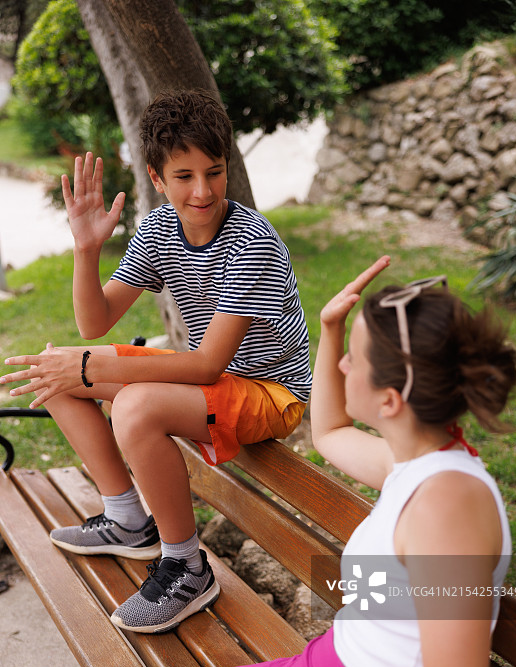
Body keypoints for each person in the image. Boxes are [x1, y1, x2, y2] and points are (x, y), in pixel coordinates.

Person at [0, 257, 516, 667]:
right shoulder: (418, 464)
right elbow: (332, 431)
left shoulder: (450, 509)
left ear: (390, 400)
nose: (339, 368)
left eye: (353, 360)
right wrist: (330, 328)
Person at [0, 89, 311, 634]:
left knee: (133, 403)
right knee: (57, 367)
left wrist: (97, 369)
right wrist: (86, 249)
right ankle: (125, 519)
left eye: (214, 172)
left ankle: (187, 566)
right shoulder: (160, 229)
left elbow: (208, 366)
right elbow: (95, 325)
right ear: (157, 178)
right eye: (184, 176)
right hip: (211, 379)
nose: (203, 190)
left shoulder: (251, 241)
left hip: (269, 395)